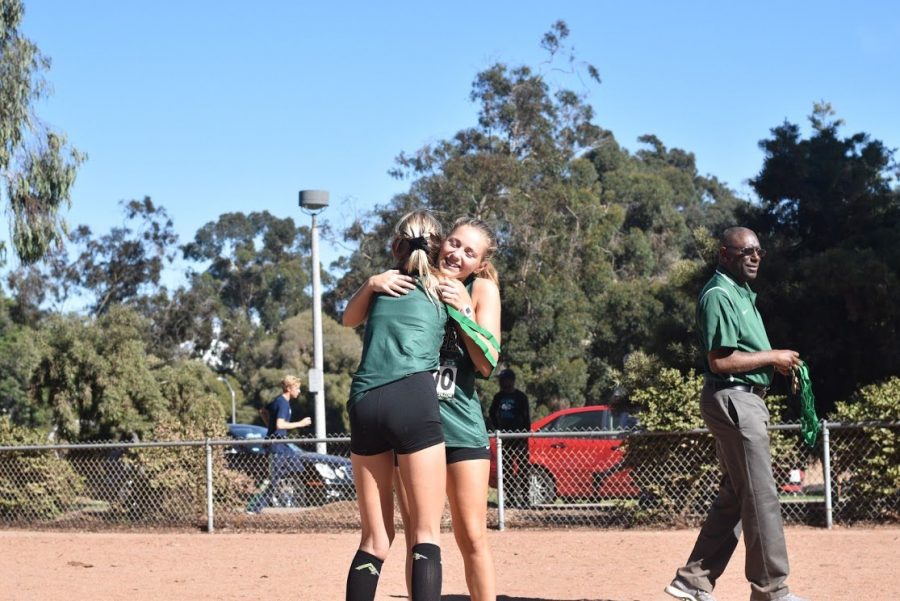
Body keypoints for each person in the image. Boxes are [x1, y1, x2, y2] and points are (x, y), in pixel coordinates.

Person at [664, 227, 808, 601]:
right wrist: (773, 357)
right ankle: (772, 591)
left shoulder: (741, 293)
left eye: (759, 251)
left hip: (744, 398)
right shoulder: (718, 294)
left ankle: (691, 581)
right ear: (724, 255)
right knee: (761, 498)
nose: (755, 257)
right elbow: (720, 360)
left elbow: (741, 354)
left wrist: (770, 363)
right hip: (733, 398)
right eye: (746, 252)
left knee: (735, 494)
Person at [379, 217, 501, 601]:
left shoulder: (482, 289)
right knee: (418, 536)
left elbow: (487, 364)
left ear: (479, 263)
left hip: (461, 426)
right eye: (454, 243)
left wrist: (464, 312)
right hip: (414, 424)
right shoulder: (415, 280)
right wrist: (374, 283)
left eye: (470, 252)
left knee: (472, 536)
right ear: (441, 242)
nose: (457, 254)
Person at [341, 210, 448, 601]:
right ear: (438, 247)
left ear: (394, 246)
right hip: (412, 397)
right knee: (424, 534)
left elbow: (347, 320)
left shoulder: (384, 285)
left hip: (366, 401)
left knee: (374, 539)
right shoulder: (445, 287)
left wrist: (370, 283)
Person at [249, 375, 311, 512]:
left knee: (296, 463)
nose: (299, 391)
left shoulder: (281, 402)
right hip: (276, 444)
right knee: (274, 480)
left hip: (281, 444)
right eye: (297, 388)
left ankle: (278, 478)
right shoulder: (282, 402)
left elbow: (263, 411)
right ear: (289, 389)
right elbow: (280, 423)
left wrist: (270, 426)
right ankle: (254, 507)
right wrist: (300, 424)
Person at [488, 369, 531, 504]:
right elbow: (492, 413)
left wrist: (524, 435)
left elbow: (526, 417)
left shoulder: (521, 397)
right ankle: (510, 498)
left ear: (511, 380)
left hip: (519, 439)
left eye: (504, 379)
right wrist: (497, 428)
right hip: (504, 439)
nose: (501, 382)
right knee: (506, 469)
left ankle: (525, 497)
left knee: (523, 468)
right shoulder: (498, 397)